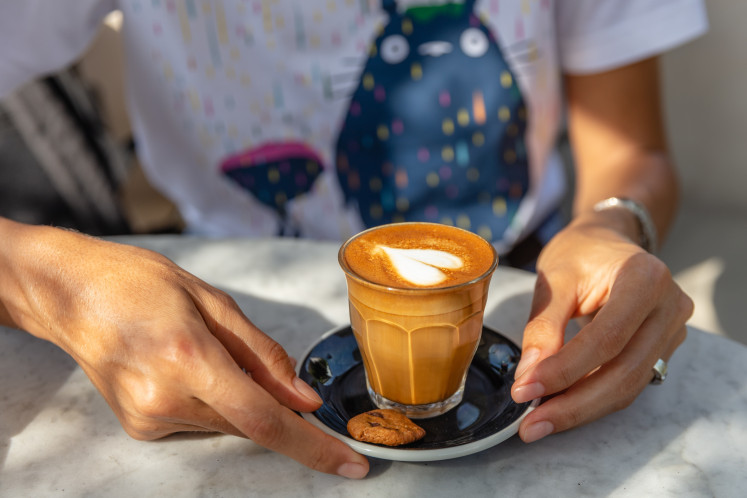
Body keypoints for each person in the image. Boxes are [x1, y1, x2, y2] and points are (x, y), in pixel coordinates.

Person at [0, 0, 706, 480]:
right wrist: (36, 277)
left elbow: (634, 152)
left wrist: (614, 222)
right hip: (216, 311)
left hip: (524, 290)